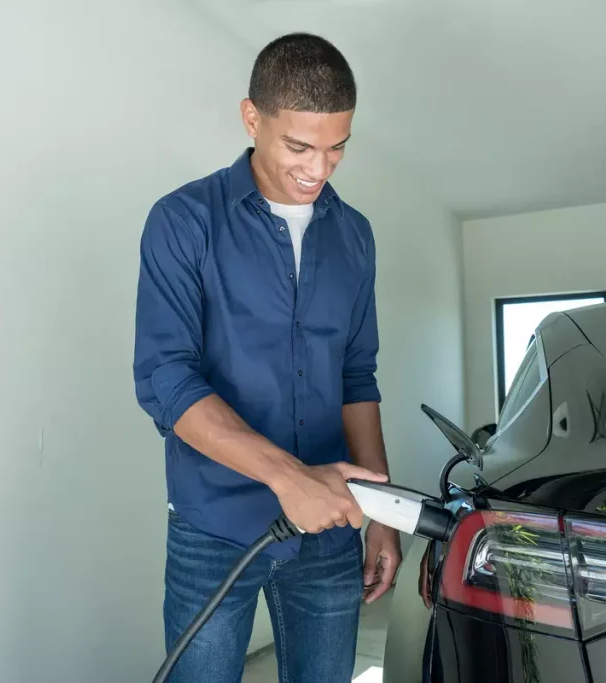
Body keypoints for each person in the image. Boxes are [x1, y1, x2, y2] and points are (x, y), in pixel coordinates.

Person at [133, 32, 402, 682]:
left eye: (337, 147)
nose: (320, 168)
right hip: (212, 525)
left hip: (332, 529)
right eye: (300, 146)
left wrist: (383, 516)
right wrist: (289, 477)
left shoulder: (355, 235)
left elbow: (356, 374)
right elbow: (165, 380)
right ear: (252, 118)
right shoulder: (183, 220)